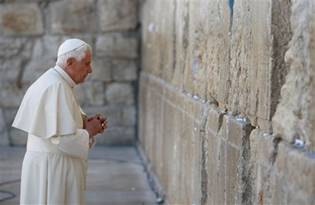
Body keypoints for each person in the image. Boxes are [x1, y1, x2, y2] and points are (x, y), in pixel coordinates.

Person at [12, 38, 108, 205]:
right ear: (70, 62)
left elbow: (60, 127)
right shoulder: (56, 86)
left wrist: (84, 123)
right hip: (53, 171)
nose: (90, 70)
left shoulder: (56, 81)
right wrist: (89, 131)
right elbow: (63, 140)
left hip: (51, 166)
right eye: (86, 63)